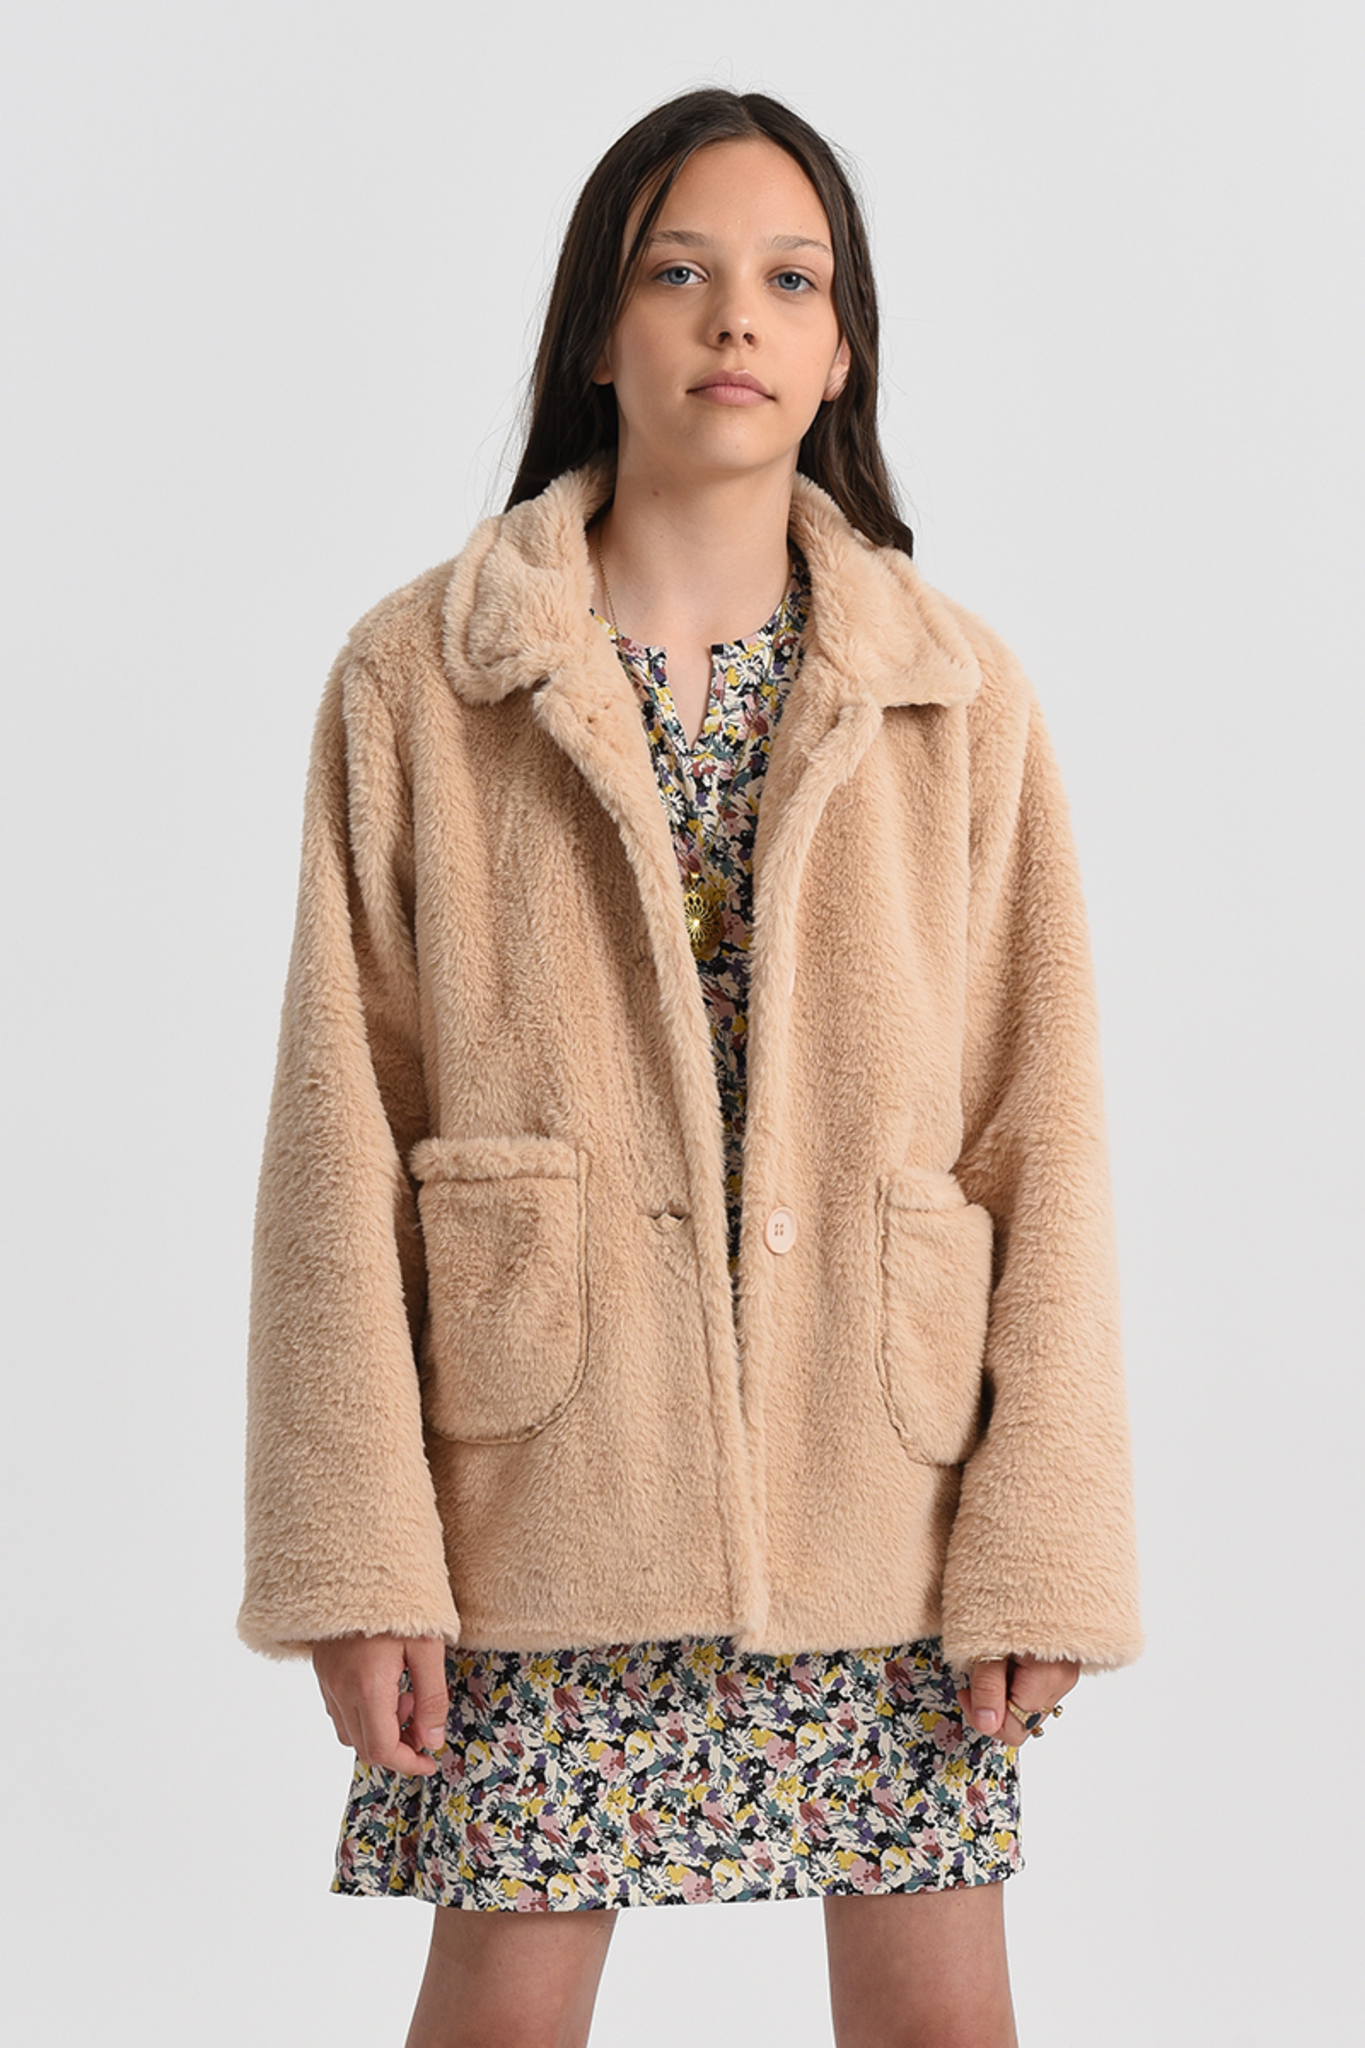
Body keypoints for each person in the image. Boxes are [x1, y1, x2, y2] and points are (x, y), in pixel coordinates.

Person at [238, 86, 1142, 2048]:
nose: (736, 316)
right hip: (546, 1483)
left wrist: (1041, 1545)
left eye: (790, 280)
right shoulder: (422, 678)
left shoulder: (953, 691)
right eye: (680, 271)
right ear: (599, 326)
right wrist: (358, 1553)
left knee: (936, 2018)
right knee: (503, 2009)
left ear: (841, 350)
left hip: (876, 1494)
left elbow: (1039, 1129)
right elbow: (337, 1133)